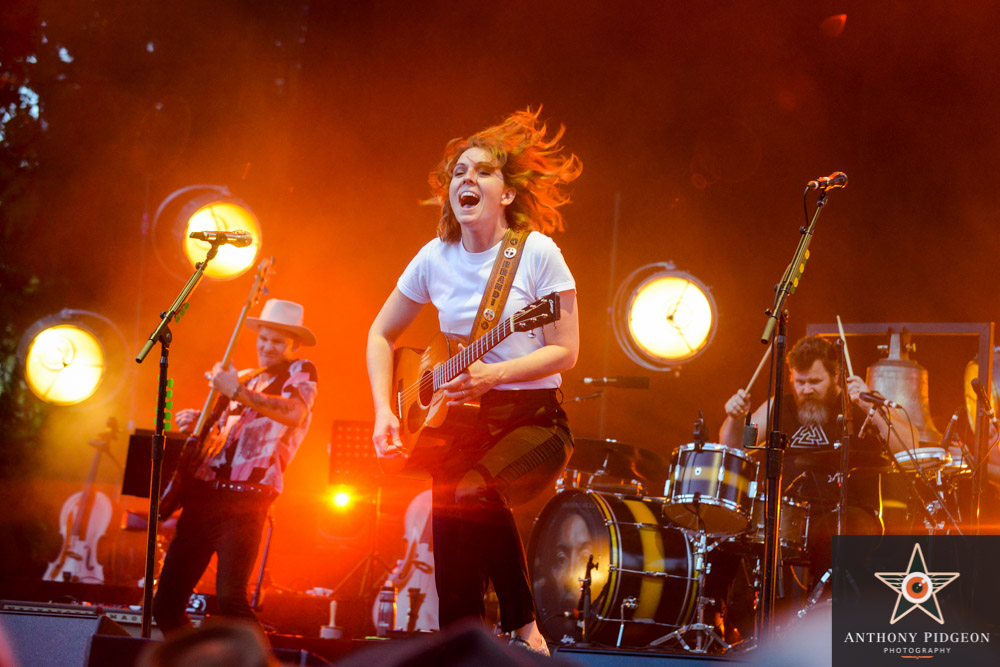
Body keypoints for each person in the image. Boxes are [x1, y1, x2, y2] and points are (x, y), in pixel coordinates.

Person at [367, 108, 581, 656]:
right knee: (452, 559)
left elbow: (566, 349)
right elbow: (380, 334)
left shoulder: (535, 252)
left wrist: (498, 373)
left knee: (474, 491)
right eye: (459, 172)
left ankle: (526, 628)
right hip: (458, 430)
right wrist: (385, 411)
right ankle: (462, 649)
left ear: (506, 194)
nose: (468, 179)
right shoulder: (433, 257)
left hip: (532, 423)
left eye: (483, 171)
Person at [153, 299, 318, 633]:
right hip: (203, 498)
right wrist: (200, 424)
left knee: (231, 600)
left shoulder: (301, 371)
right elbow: (224, 438)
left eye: (277, 341)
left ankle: (258, 659)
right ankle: (197, 658)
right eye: (263, 339)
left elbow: (293, 412)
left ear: (294, 346)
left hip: (245, 503)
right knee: (165, 605)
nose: (267, 347)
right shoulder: (244, 378)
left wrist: (236, 391)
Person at [718, 335, 917, 597]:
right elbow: (734, 447)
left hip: (849, 513)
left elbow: (909, 447)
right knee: (729, 531)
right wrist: (733, 418)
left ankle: (825, 611)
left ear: (835, 376)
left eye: (814, 382)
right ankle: (736, 613)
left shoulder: (858, 406)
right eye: (800, 382)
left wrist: (871, 406)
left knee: (836, 530)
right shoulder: (779, 405)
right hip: (788, 515)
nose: (806, 390)